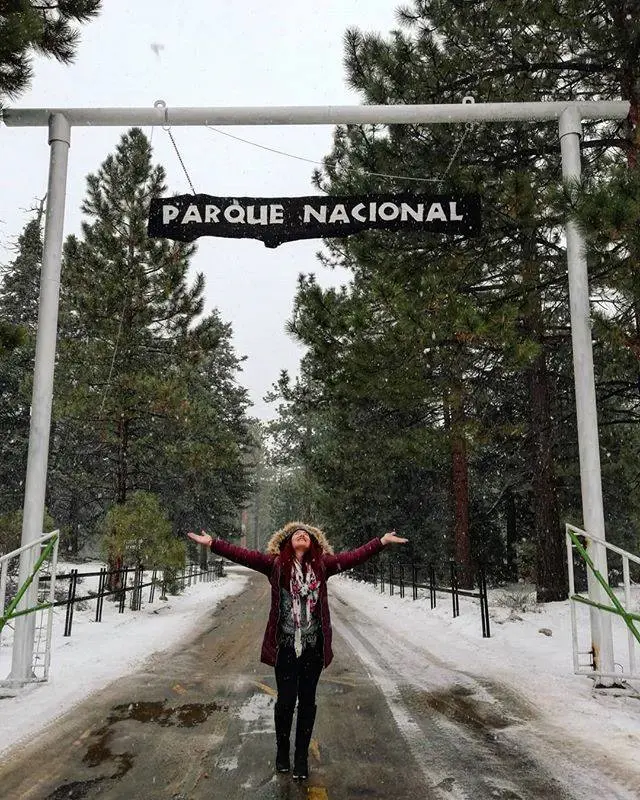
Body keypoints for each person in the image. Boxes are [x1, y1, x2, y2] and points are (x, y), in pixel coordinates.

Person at [186, 521, 407, 781]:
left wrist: (380, 542)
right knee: (286, 702)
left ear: (313, 544)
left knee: (307, 704)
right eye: (296, 534)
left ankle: (301, 758)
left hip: (312, 648)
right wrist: (213, 543)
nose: (301, 535)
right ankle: (282, 752)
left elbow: (354, 557)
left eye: (306, 535)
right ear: (287, 544)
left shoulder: (323, 567)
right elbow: (243, 555)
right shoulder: (276, 565)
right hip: (286, 648)